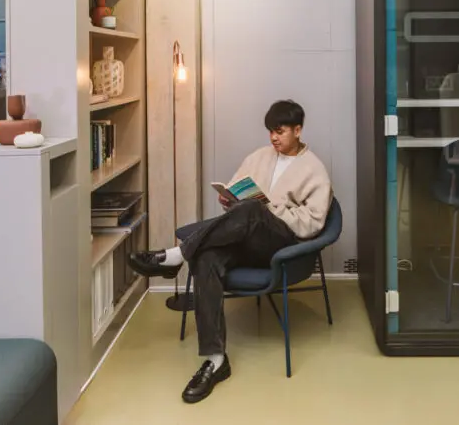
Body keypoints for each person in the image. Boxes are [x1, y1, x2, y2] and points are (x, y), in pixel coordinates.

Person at [128, 100, 333, 404]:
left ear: (298, 130)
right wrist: (230, 200)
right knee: (208, 256)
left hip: (281, 244)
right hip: (246, 235)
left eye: (280, 132)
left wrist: (270, 211)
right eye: (270, 133)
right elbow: (237, 189)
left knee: (252, 210)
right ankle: (215, 360)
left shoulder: (314, 169)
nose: (273, 138)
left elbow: (314, 223)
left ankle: (175, 257)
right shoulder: (259, 157)